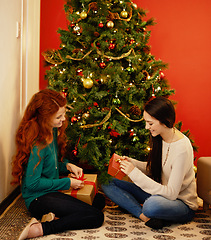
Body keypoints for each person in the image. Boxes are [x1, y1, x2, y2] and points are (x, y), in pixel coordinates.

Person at [11, 89, 104, 239]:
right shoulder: (38, 144)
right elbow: (32, 184)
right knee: (96, 216)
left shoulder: (52, 131)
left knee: (98, 200)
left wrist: (67, 166)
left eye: (63, 114)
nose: (63, 119)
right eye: (58, 117)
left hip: (51, 191)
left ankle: (55, 216)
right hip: (37, 198)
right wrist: (67, 182)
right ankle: (39, 228)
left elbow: (51, 167)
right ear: (44, 118)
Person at [102, 96, 198, 229]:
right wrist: (133, 163)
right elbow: (155, 169)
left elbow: (171, 193)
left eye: (150, 123)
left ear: (164, 122)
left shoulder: (181, 148)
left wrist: (133, 173)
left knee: (151, 205)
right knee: (106, 181)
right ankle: (143, 216)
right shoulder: (161, 137)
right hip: (161, 194)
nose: (147, 127)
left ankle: (145, 211)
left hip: (181, 204)